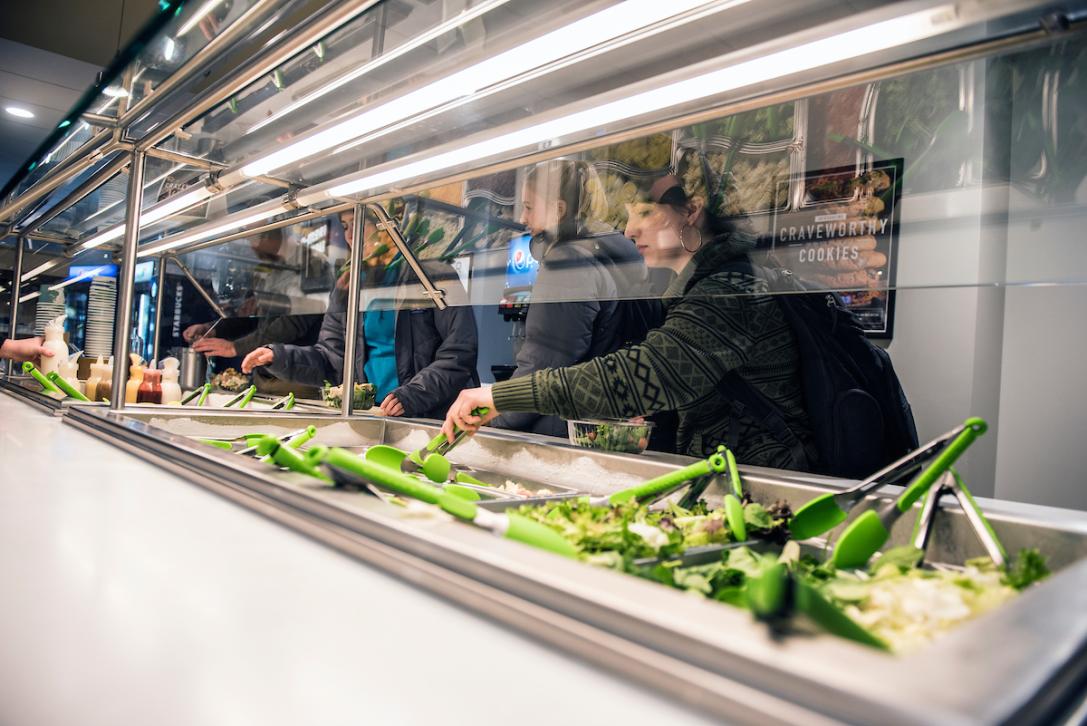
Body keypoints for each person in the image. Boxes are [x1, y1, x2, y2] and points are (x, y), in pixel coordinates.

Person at [443, 172, 816, 471]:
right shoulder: (697, 287)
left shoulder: (728, 292)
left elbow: (646, 374)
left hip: (768, 476)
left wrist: (500, 395)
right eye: (628, 216)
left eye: (645, 213)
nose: (628, 231)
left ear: (691, 211)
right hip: (726, 469)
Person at [241, 208, 479, 418]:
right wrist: (279, 357)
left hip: (430, 416)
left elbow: (459, 353)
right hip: (372, 413)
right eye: (345, 226)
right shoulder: (349, 286)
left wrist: (414, 395)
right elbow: (331, 360)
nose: (350, 235)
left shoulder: (434, 276)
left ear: (388, 224)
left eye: (358, 224)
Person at [489, 159, 661, 438]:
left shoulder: (566, 264)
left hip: (567, 428)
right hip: (603, 426)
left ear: (558, 210)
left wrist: (495, 419)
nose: (523, 218)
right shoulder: (606, 252)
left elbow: (543, 366)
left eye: (529, 207)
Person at [183, 228, 330, 362]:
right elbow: (250, 318)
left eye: (252, 240)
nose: (251, 247)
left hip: (297, 371)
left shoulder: (311, 263)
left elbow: (292, 325)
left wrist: (235, 347)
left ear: (269, 234)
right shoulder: (267, 268)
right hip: (263, 371)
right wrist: (212, 329)